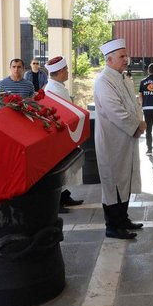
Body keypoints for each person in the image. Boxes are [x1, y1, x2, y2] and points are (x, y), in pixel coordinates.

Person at [93, 39, 146, 240]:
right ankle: (113, 226)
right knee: (113, 182)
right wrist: (136, 126)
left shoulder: (122, 77)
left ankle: (123, 219)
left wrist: (138, 122)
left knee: (124, 180)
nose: (126, 59)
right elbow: (115, 111)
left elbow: (133, 104)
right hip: (112, 141)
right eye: (122, 56)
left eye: (126, 55)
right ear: (109, 60)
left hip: (126, 139)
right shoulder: (103, 81)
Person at [44, 56, 84, 212]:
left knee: (67, 166)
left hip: (66, 134)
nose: (68, 72)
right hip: (58, 136)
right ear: (60, 72)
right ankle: (57, 202)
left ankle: (65, 196)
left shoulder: (58, 87)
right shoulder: (52, 90)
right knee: (59, 168)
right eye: (66, 69)